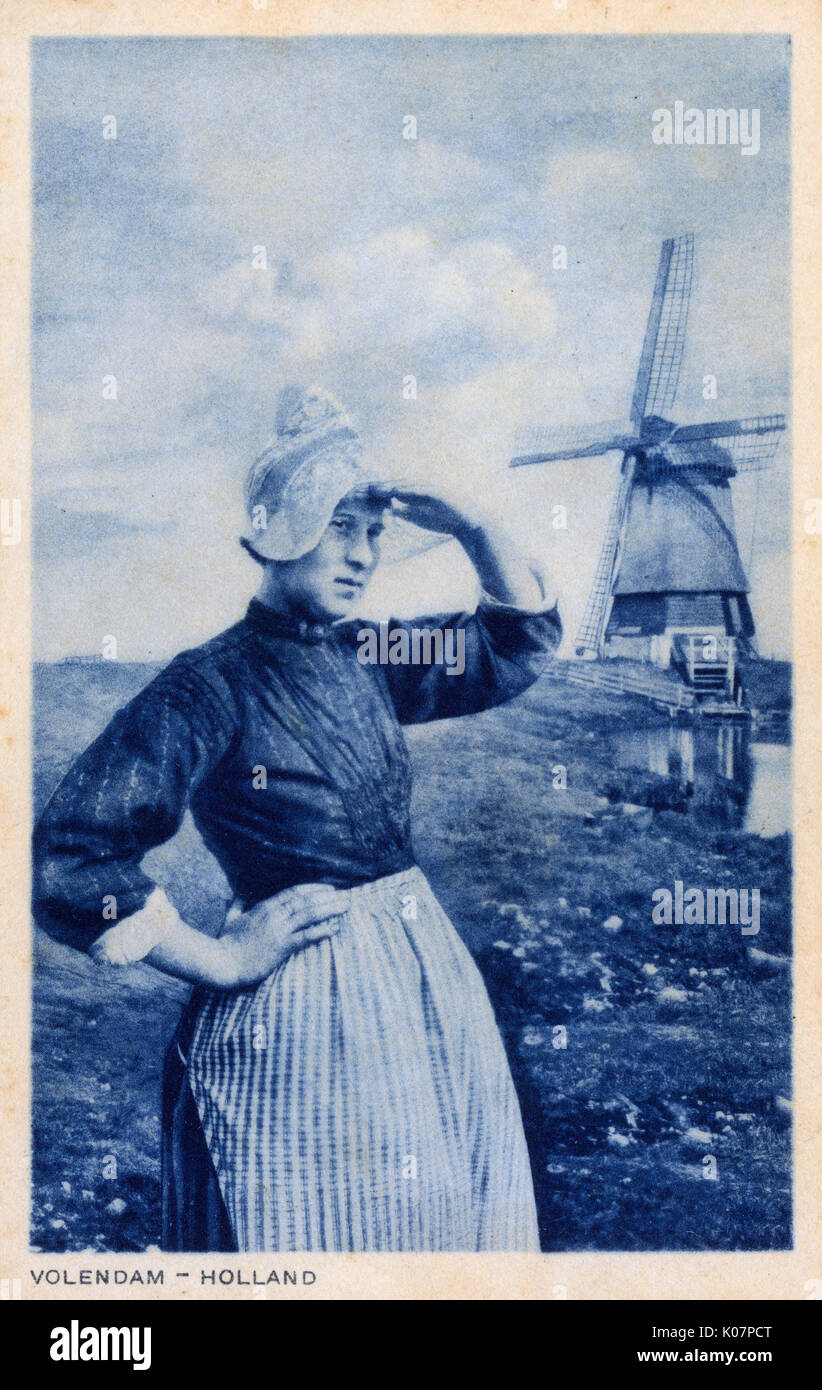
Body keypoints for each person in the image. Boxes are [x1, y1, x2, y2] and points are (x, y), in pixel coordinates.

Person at [33, 385, 562, 1253]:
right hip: (309, 1010)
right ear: (277, 536)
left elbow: (511, 647)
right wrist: (221, 957)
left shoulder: (371, 652)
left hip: (425, 990)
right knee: (327, 1234)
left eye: (373, 530)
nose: (361, 556)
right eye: (336, 526)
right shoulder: (208, 686)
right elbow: (70, 859)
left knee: (446, 1227)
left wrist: (471, 524)